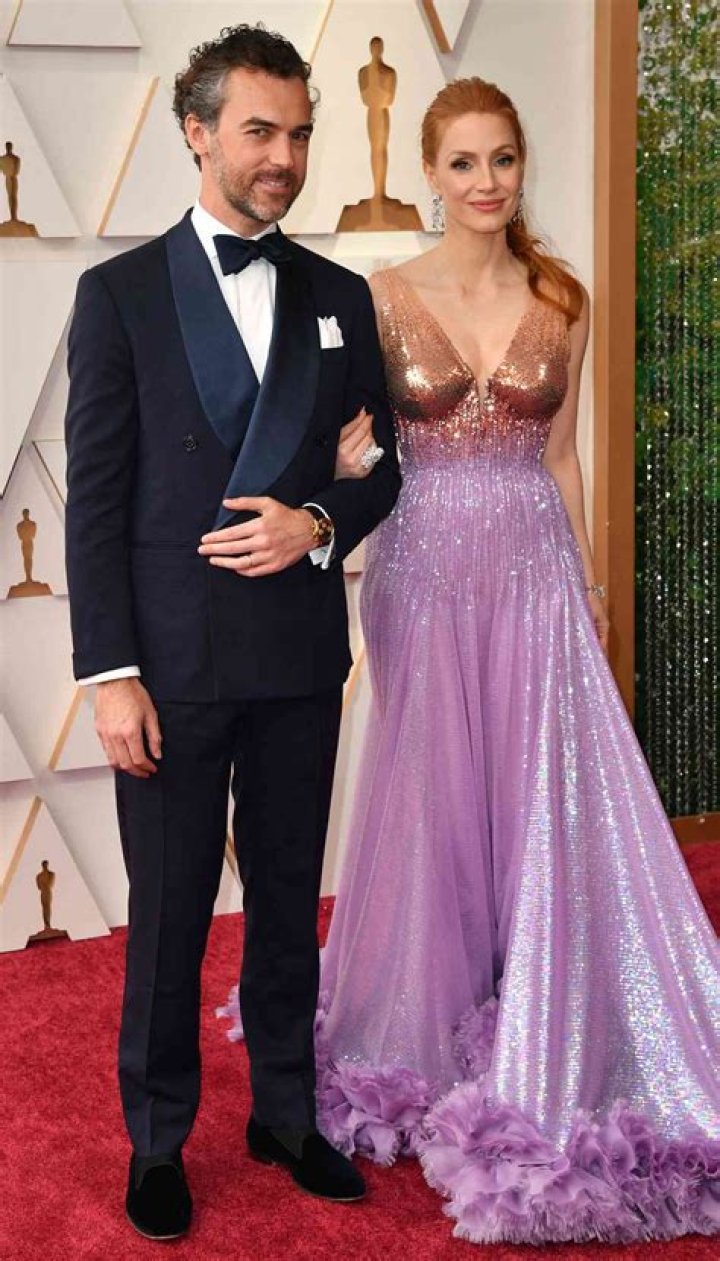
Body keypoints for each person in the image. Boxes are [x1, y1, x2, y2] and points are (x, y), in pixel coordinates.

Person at [295, 78, 720, 1245]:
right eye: (465, 162)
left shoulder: (563, 298)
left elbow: (565, 455)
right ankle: (426, 1020)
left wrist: (589, 582)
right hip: (421, 570)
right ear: (430, 174)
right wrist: (342, 472)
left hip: (534, 568)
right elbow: (360, 452)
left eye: (503, 159)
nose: (486, 182)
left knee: (543, 795)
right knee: (434, 795)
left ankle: (548, 1005)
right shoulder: (381, 298)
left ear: (522, 167)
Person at [64, 24, 400, 1242]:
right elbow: (94, 503)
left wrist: (320, 517)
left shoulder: (338, 295)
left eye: (299, 134)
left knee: (287, 902)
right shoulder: (118, 297)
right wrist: (110, 674)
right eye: (260, 131)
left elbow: (385, 468)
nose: (285, 158)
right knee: (167, 918)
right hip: (170, 665)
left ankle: (286, 1115)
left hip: (298, 659)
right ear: (197, 131)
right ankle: (158, 1140)